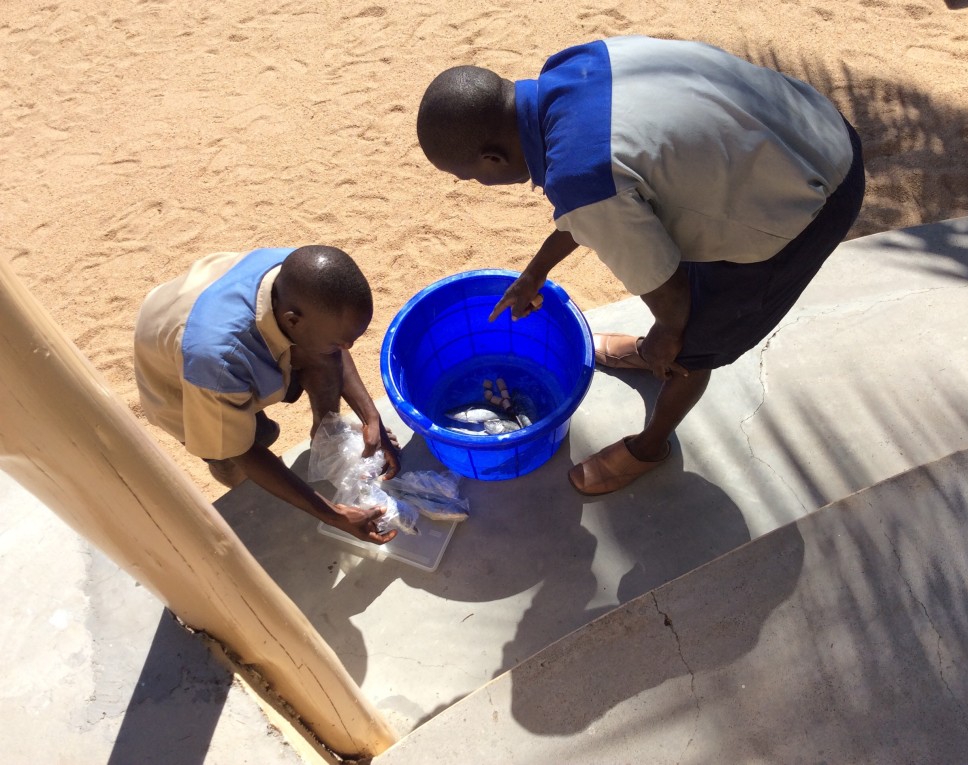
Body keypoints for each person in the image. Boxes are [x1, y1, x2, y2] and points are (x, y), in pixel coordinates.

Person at [416, 35, 865, 496]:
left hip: (814, 193)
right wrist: (536, 272)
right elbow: (604, 198)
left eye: (470, 176)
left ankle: (650, 446)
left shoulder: (581, 178)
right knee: (672, 275)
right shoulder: (573, 67)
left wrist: (669, 336)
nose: (478, 183)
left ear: (492, 158)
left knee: (694, 341)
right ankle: (652, 353)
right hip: (807, 124)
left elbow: (669, 291)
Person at [134, 244, 400, 543]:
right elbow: (238, 450)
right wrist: (333, 514)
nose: (348, 350)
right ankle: (247, 495)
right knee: (232, 456)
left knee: (323, 355)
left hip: (213, 312)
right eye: (341, 343)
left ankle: (325, 436)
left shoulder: (296, 278)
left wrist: (370, 416)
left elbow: (333, 347)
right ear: (291, 321)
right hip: (178, 371)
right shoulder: (216, 363)